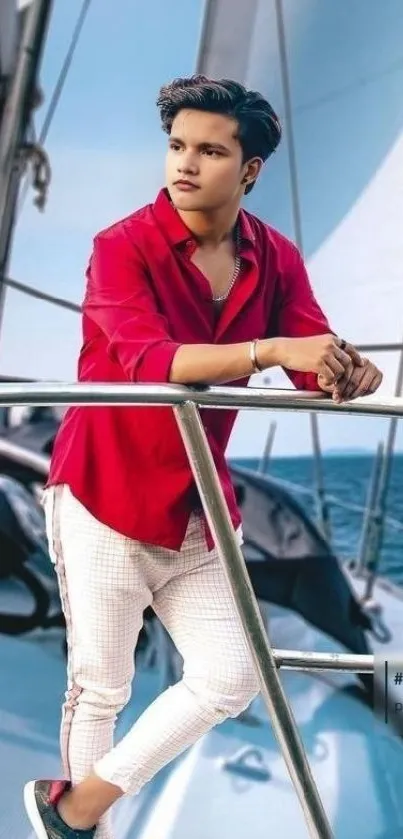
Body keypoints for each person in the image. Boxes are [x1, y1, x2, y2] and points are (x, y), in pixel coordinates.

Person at [23, 74, 382, 839]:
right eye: (177, 145)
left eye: (210, 150)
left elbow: (307, 364)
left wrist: (345, 370)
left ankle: (77, 809)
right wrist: (271, 347)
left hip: (197, 506)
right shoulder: (119, 247)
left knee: (231, 673)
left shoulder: (273, 256)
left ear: (248, 170)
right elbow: (148, 359)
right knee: (101, 686)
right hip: (101, 494)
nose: (184, 163)